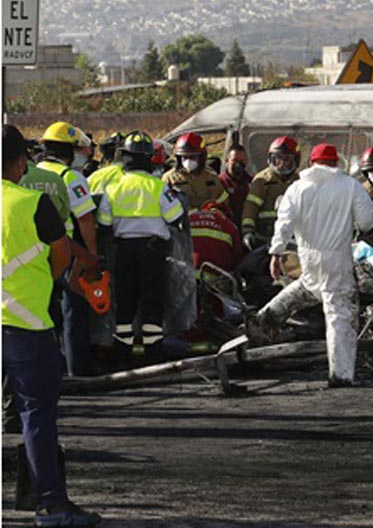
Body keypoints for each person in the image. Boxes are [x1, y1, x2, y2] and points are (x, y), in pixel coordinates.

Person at [2, 124, 102, 527]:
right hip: (26, 326)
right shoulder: (33, 203)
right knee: (36, 416)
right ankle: (52, 507)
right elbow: (61, 259)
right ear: (20, 162)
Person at [254, 143, 373, 387]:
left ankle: (265, 319)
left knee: (308, 287)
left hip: (307, 256)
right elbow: (366, 222)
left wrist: (275, 253)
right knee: (339, 313)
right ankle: (341, 375)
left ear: (311, 162)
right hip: (337, 258)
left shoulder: (296, 188)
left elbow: (284, 223)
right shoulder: (350, 186)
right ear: (335, 162)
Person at [97, 132, 185, 355]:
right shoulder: (158, 186)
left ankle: (123, 353)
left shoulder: (113, 187)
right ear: (149, 158)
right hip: (153, 250)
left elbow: (104, 222)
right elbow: (175, 216)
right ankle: (153, 351)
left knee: (125, 301)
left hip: (124, 250)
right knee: (152, 300)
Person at [37, 122, 100, 376]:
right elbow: (85, 219)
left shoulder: (32, 173)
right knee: (74, 309)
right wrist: (92, 256)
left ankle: (53, 368)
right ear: (69, 150)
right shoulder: (70, 177)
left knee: (46, 312)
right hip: (68, 252)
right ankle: (78, 369)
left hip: (35, 254)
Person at [242, 136, 301, 251]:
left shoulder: (299, 182)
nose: (282, 164)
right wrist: (247, 231)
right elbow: (250, 208)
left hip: (292, 240)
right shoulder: (262, 180)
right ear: (270, 159)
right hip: (264, 240)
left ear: (296, 161)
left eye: (287, 159)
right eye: (277, 159)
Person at [162, 132, 225, 211]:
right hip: (183, 218)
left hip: (209, 218)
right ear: (179, 158)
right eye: (185, 157)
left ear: (201, 157)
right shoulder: (169, 179)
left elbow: (223, 201)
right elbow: (164, 206)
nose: (188, 161)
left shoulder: (211, 176)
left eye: (192, 157)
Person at [190, 201, 243, 273]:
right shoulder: (230, 226)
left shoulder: (190, 218)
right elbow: (238, 259)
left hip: (185, 274)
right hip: (216, 277)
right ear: (225, 214)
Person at [218, 144, 251, 226]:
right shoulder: (218, 183)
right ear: (226, 161)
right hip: (226, 227)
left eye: (241, 161)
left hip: (247, 227)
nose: (238, 164)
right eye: (234, 160)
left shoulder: (252, 182)